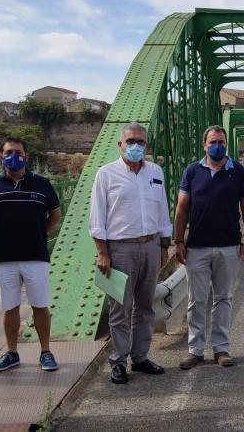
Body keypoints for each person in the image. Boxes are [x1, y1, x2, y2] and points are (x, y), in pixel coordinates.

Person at [89, 122, 173, 385]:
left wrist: (163, 245)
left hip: (150, 246)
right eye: (131, 141)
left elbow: (162, 210)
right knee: (119, 309)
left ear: (147, 145)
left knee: (145, 306)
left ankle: (140, 357)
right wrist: (102, 252)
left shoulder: (156, 172)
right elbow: (97, 216)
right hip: (120, 248)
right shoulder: (106, 174)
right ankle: (119, 361)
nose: (136, 146)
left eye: (141, 142)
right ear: (120, 144)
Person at [0, 137, 62, 373]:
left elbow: (55, 215)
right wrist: (0, 233)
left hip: (35, 255)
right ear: (1, 156)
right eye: (9, 152)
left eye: (18, 152)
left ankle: (45, 352)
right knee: (10, 306)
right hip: (5, 257)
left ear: (26, 156)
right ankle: (12, 353)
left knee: (40, 305)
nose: (13, 156)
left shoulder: (42, 184)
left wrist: (37, 232)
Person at [173, 126, 244, 369]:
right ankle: (195, 350)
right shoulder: (192, 171)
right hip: (197, 245)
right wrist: (178, 241)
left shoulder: (238, 171)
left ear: (226, 143)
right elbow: (181, 208)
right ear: (204, 145)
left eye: (221, 141)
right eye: (212, 141)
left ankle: (221, 349)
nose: (217, 145)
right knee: (196, 300)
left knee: (223, 298)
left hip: (229, 245)